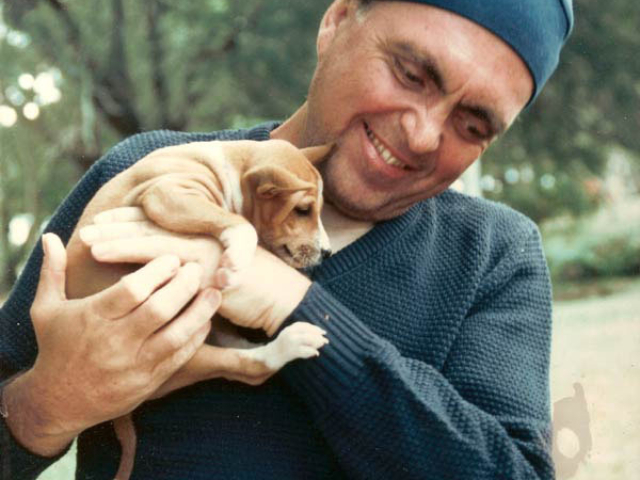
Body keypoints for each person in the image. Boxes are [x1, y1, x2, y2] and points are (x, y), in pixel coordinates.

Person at [0, 0, 573, 478]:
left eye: (472, 125)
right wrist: (44, 406)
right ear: (337, 21)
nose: (423, 135)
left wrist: (294, 304)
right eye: (411, 74)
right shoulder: (147, 172)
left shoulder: (496, 254)